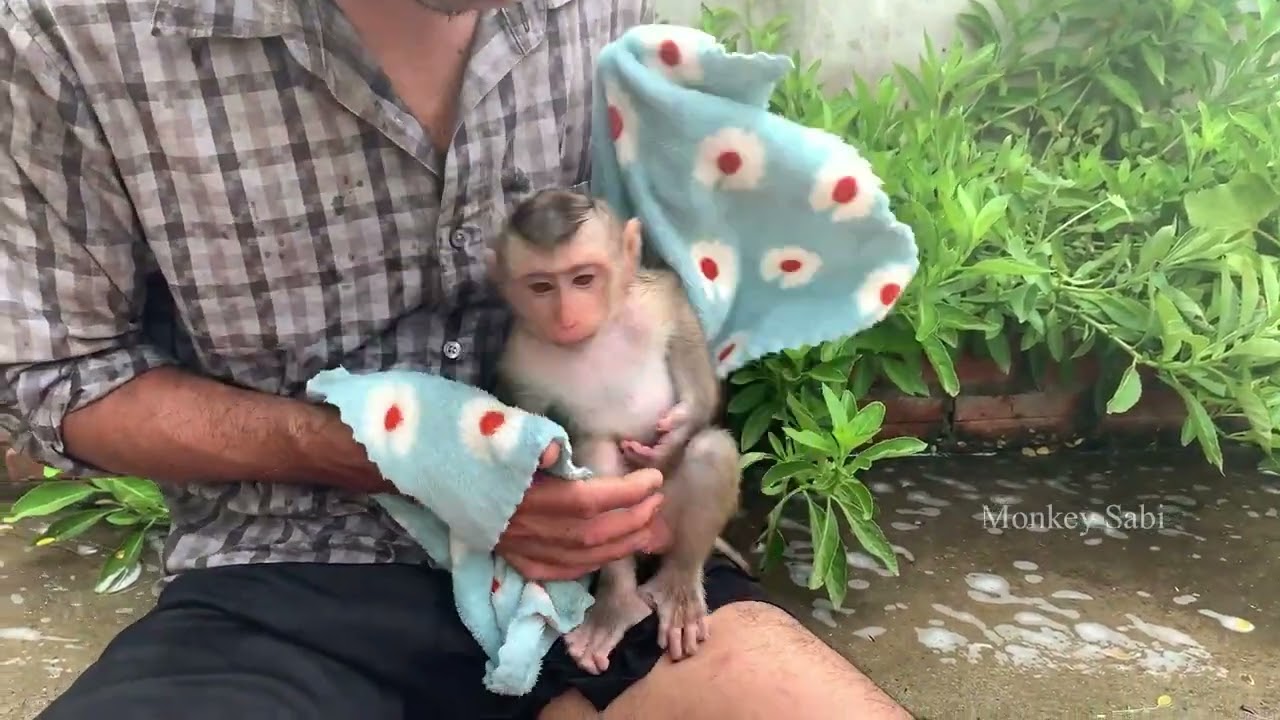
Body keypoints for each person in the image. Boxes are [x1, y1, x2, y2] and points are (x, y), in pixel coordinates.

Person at [0, 0, 914, 717]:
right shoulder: (79, 30)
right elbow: (59, 375)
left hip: (602, 557)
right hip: (288, 568)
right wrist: (417, 459)